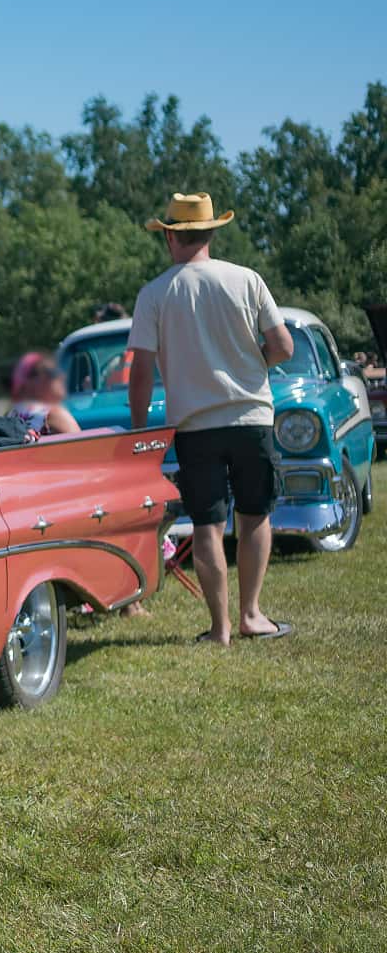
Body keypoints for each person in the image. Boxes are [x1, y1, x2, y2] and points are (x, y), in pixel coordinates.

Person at [126, 192, 294, 646]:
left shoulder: (155, 293)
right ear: (212, 233)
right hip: (251, 415)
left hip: (194, 425)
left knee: (207, 524)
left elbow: (141, 370)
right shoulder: (247, 279)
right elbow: (283, 347)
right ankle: (252, 616)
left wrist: (143, 431)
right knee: (255, 516)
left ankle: (219, 628)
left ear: (170, 238)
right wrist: (251, 362)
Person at [7, 353, 79, 437]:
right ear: (32, 382)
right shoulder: (52, 414)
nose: (62, 376)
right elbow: (84, 448)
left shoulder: (11, 415)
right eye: (53, 372)